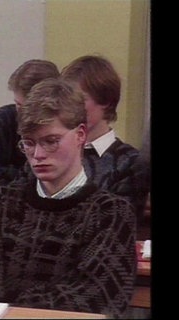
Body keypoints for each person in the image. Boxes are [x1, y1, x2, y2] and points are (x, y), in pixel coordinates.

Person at [0, 78, 137, 318]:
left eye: (51, 141)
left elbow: (96, 297)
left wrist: (11, 305)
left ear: (80, 134)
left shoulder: (110, 213)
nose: (38, 155)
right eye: (28, 143)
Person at [60, 54, 150, 223]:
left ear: (106, 101)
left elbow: (118, 223)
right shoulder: (58, 152)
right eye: (68, 99)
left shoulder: (130, 162)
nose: (71, 107)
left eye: (81, 99)